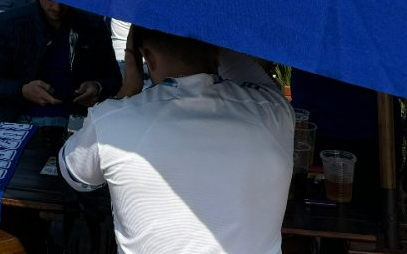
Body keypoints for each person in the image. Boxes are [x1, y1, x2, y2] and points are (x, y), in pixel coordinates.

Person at [60, 27, 294, 253]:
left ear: (147, 57)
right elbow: (258, 80)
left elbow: (75, 174)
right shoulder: (274, 112)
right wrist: (212, 37)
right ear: (217, 51)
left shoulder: (110, 120)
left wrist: (129, 88)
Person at [0, 0, 122, 126]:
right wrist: (22, 90)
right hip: (18, 122)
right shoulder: (8, 24)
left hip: (79, 124)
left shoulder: (93, 26)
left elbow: (114, 78)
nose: (57, 7)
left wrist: (97, 87)